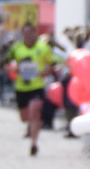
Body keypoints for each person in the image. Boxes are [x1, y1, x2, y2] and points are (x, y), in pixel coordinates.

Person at [8, 21, 57, 157]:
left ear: (35, 33)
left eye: (31, 32)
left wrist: (45, 72)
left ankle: (34, 143)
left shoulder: (43, 48)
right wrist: (13, 69)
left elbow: (52, 64)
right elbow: (6, 64)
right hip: (21, 86)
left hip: (37, 86)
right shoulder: (16, 48)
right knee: (25, 117)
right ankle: (29, 124)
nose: (28, 35)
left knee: (35, 112)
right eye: (25, 32)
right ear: (22, 34)